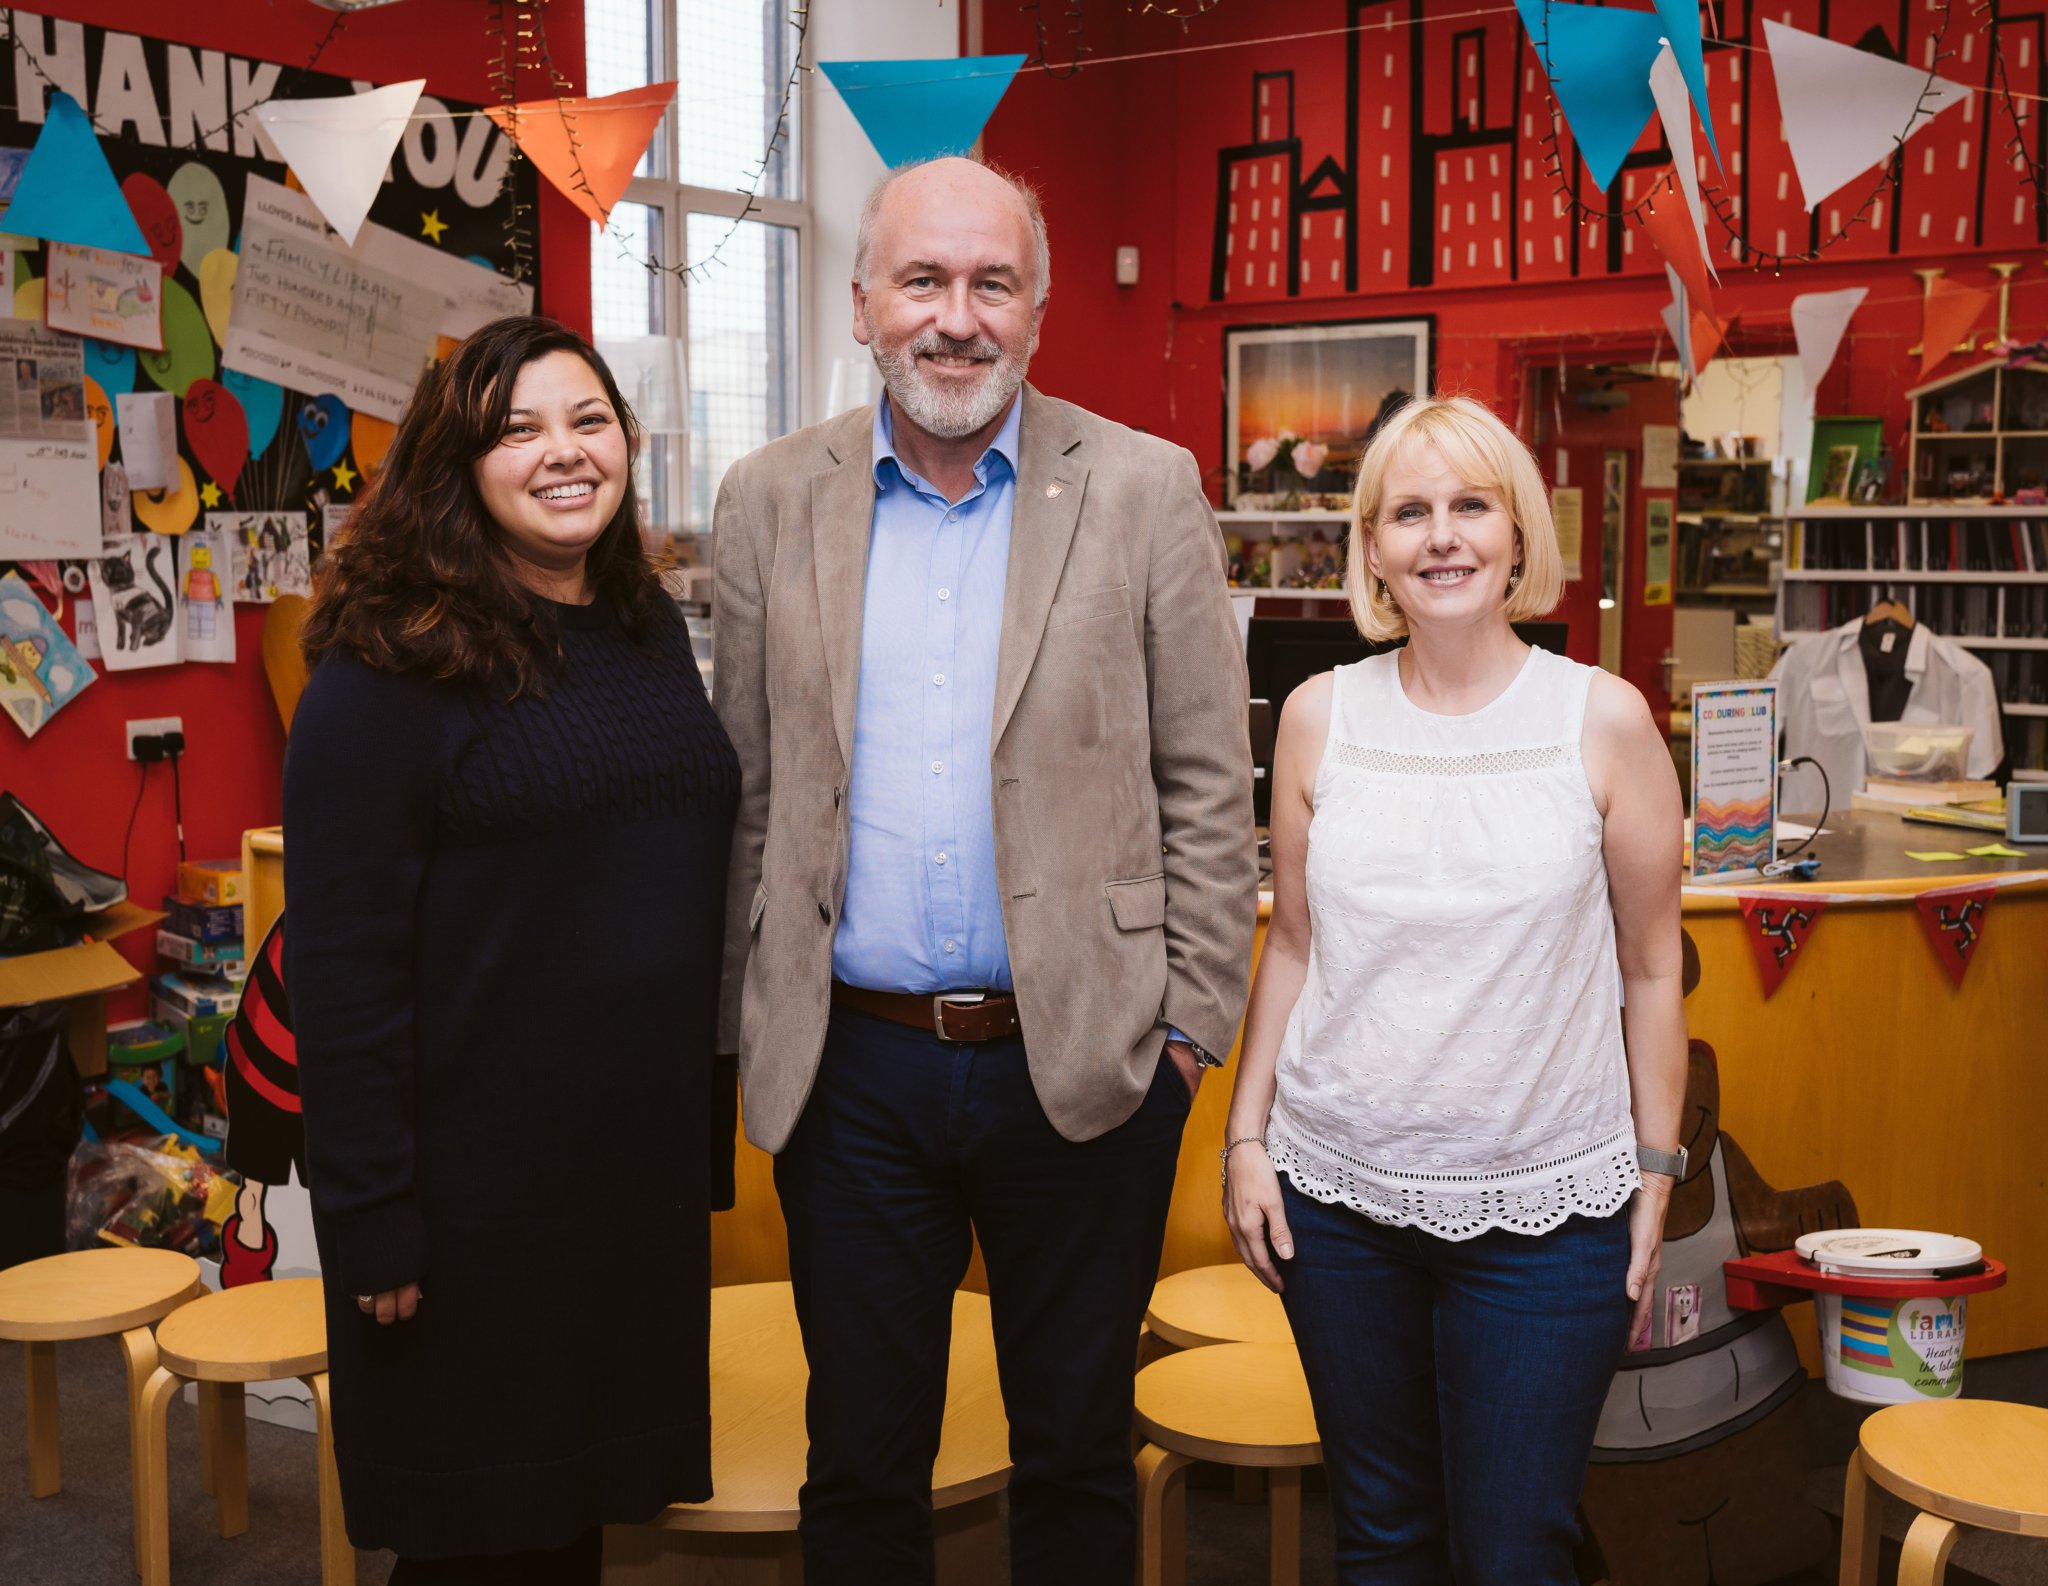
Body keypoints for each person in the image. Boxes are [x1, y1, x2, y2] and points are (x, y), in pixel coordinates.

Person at [713, 154, 1257, 1586]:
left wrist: (1188, 1031)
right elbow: (749, 789)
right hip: (855, 1073)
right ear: (861, 304)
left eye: (990, 283)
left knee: (1074, 1454)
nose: (956, 318)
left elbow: (1210, 785)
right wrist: (745, 1030)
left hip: (1085, 1067)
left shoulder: (1144, 489)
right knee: (864, 1463)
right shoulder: (768, 499)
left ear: (1038, 309)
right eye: (924, 280)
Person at [286, 316, 737, 1583]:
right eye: (517, 429)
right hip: (469, 1205)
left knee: (570, 1524)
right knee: (479, 1543)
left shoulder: (644, 633)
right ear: (455, 461)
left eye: (588, 420)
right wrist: (371, 1215)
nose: (563, 452)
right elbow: (345, 970)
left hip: (624, 1185)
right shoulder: (386, 669)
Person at [1222, 394, 1689, 1584]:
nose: (1441, 535)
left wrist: (1653, 1169)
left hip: (1547, 1217)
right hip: (1337, 1201)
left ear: (1517, 534)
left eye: (1469, 505)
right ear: (1371, 546)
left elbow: (1649, 967)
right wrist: (1244, 1136)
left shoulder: (1604, 720)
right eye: (1409, 511)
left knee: (1511, 1549)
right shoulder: (1320, 717)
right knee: (1378, 1536)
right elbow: (1292, 945)